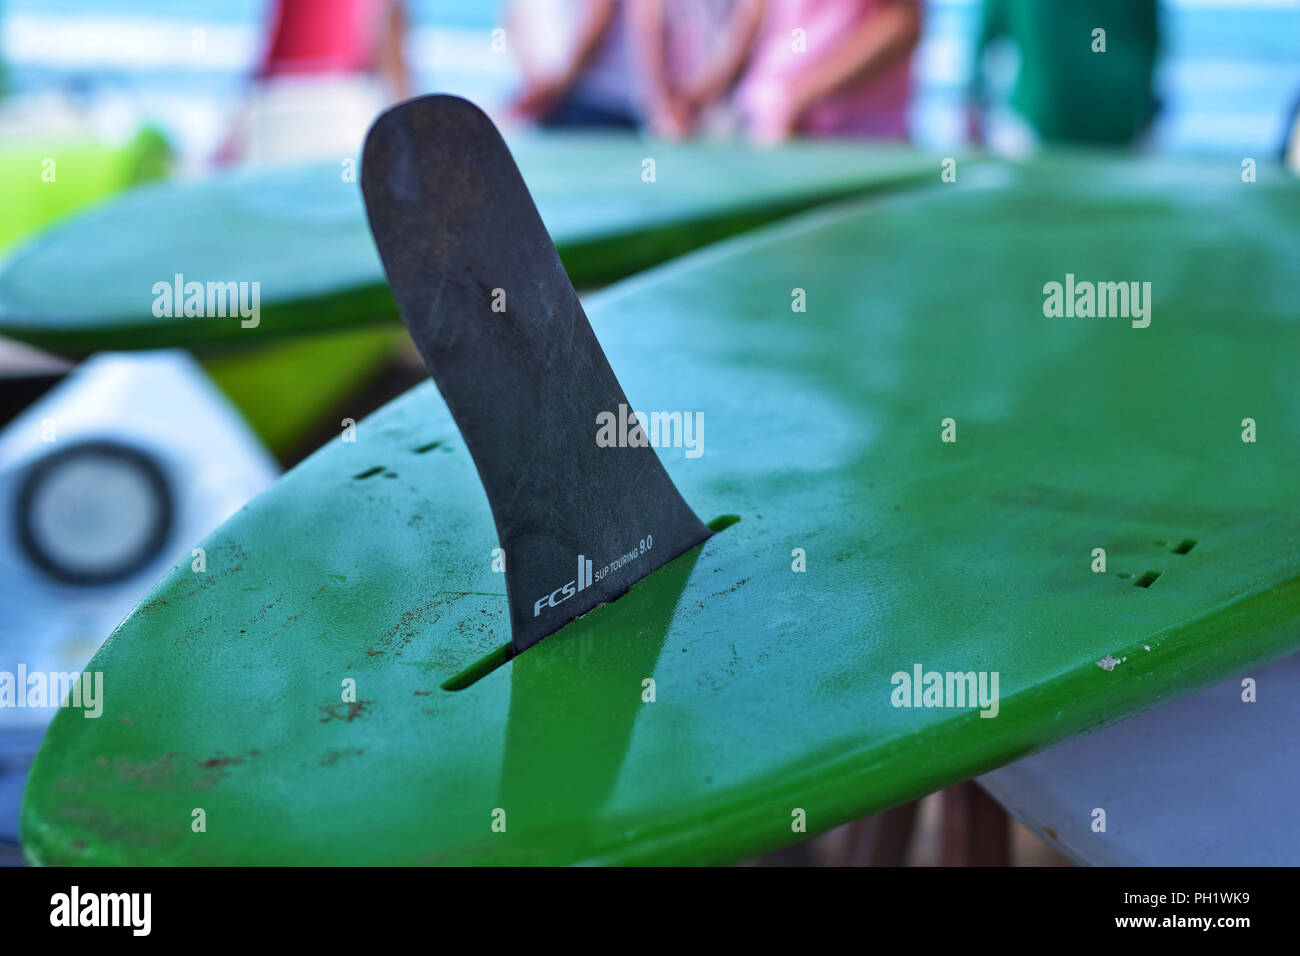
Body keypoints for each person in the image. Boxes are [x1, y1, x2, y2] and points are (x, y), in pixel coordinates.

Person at [645, 0, 920, 144]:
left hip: (851, 142)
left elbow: (904, 22)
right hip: (767, 128)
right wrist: (699, 96)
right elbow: (755, 16)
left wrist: (801, 96)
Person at [968, 0, 1159, 148]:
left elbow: (988, 31)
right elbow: (1150, 37)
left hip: (1044, 112)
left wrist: (973, 101)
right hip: (1120, 109)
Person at [506, 0, 641, 129]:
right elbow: (516, 22)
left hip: (598, 102)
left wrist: (556, 88)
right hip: (552, 100)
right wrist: (537, 83)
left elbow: (598, 17)